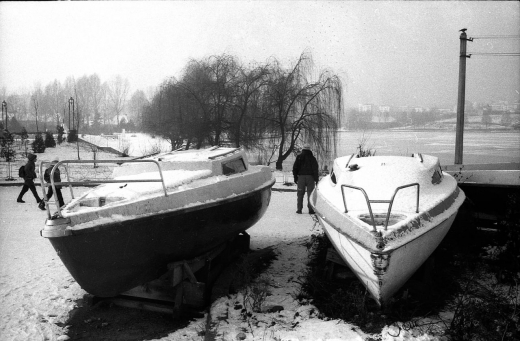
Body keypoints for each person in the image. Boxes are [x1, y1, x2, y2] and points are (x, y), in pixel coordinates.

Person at [292, 144, 319, 214]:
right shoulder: (312, 158)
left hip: (301, 177)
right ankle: (311, 209)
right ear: (309, 149)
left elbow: (295, 168)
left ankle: (299, 209)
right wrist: (316, 179)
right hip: (310, 177)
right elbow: (315, 169)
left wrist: (295, 177)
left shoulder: (299, 157)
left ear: (303, 149)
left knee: (300, 194)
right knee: (310, 194)